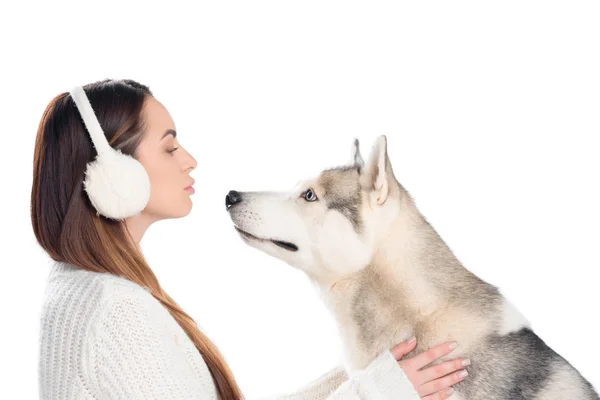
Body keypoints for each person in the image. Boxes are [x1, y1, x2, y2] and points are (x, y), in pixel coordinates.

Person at [32, 79, 469, 399]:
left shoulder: (84, 287)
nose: (190, 160)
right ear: (114, 173)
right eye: (169, 148)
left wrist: (359, 379)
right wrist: (375, 394)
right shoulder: (114, 311)